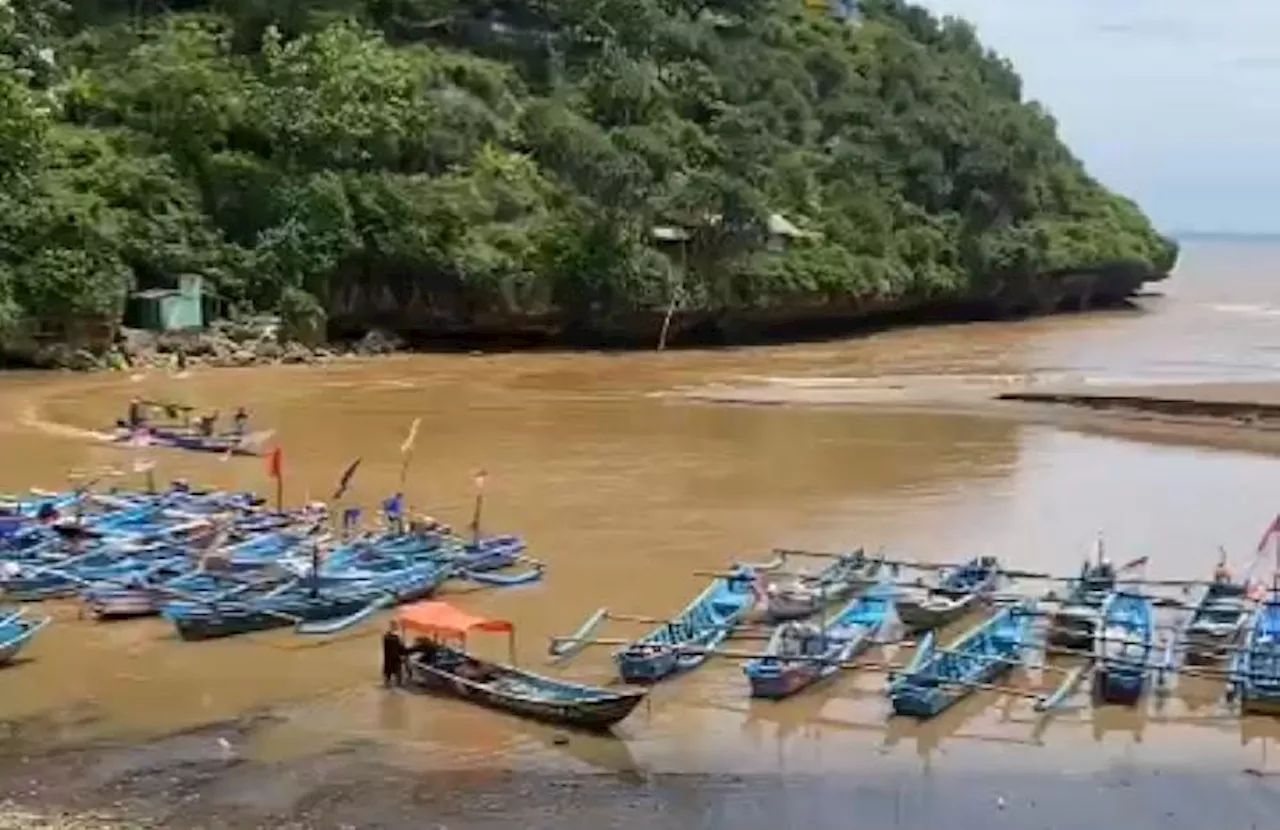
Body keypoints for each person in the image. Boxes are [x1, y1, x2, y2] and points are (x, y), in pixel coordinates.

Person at [382, 622, 406, 687]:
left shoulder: (386, 636)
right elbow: (401, 648)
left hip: (390, 658)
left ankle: (389, 683)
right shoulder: (395, 638)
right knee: (397, 673)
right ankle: (397, 684)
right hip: (394, 657)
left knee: (390, 673)